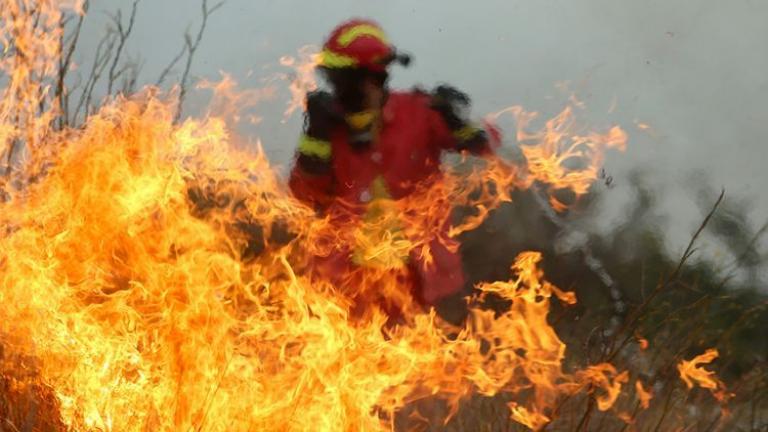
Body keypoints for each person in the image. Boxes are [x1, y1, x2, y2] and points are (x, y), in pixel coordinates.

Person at [289, 18, 500, 317]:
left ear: (373, 78)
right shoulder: (328, 128)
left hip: (422, 284)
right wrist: (315, 139)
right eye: (332, 80)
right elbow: (303, 197)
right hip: (348, 287)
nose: (337, 90)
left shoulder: (418, 113)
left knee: (432, 361)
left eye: (343, 81)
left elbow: (488, 146)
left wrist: (459, 119)